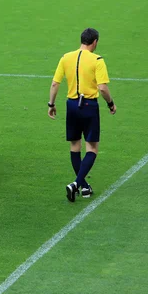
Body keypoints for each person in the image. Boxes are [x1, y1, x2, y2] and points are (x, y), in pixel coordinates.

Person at [47, 28, 117, 202]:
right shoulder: (97, 60)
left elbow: (55, 83)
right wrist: (110, 103)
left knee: (74, 145)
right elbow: (102, 88)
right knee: (92, 148)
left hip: (71, 105)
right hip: (89, 105)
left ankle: (84, 186)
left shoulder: (66, 57)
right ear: (94, 42)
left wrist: (51, 104)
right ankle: (76, 184)